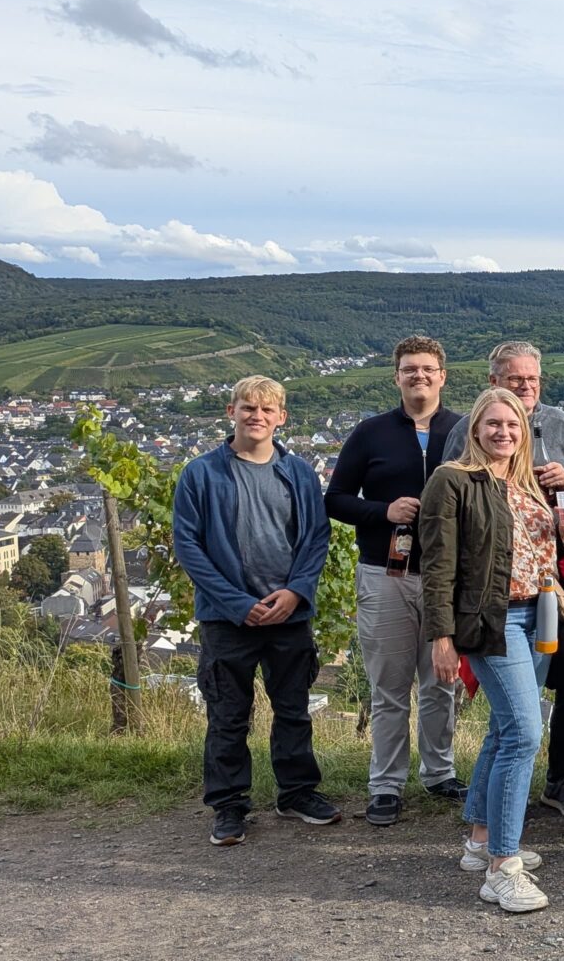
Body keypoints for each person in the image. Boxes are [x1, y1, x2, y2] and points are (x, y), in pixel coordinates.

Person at [420, 388, 564, 914]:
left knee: (503, 729)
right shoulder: (452, 481)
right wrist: (441, 638)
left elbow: (537, 553)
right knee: (524, 732)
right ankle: (502, 867)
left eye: (512, 425)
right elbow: (438, 567)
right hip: (491, 620)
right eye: (493, 424)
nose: (504, 433)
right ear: (474, 429)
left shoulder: (525, 484)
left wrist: (561, 534)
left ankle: (479, 839)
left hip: (537, 614)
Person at [174, 376, 340, 846]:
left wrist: (296, 592)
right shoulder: (201, 474)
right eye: (248, 408)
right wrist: (237, 604)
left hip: (289, 612)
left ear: (281, 417)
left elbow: (316, 539)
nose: (257, 417)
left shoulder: (300, 473)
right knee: (228, 713)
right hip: (227, 617)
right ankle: (228, 805)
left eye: (268, 410)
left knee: (293, 709)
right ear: (231, 412)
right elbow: (188, 545)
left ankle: (297, 792)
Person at [443, 342, 564, 822]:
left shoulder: (560, 425)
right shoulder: (463, 439)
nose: (526, 388)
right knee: (518, 726)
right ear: (494, 383)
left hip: (556, 586)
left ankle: (554, 783)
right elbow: (450, 512)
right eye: (515, 380)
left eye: (533, 380)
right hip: (496, 598)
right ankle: (499, 844)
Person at [325, 335, 464, 827]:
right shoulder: (371, 433)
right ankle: (385, 785)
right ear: (397, 377)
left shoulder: (463, 431)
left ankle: (439, 772)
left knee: (441, 683)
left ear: (443, 376)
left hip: (448, 576)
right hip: (385, 573)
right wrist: (381, 511)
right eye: (410, 369)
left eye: (428, 369)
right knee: (389, 688)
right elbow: (336, 499)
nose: (419, 376)